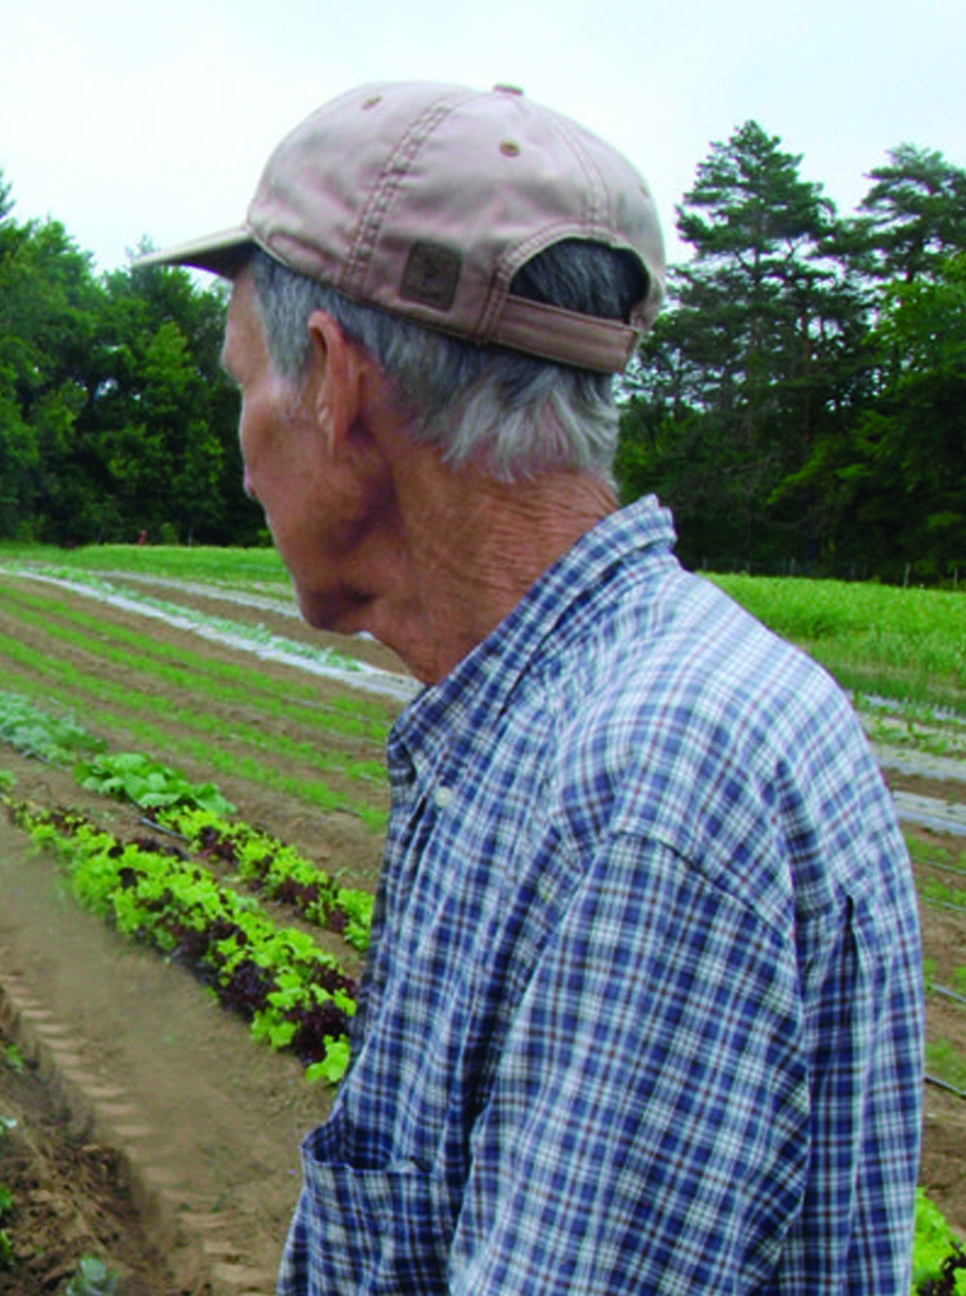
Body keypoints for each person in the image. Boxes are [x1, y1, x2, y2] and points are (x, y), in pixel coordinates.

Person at [138, 81, 922, 1294]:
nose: (242, 458)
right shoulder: (546, 726)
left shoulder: (651, 790)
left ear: (334, 379)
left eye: (243, 386)